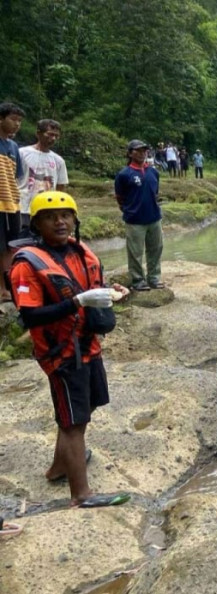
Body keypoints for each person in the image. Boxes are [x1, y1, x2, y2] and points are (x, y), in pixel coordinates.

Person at [9, 191, 131, 508]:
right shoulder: (27, 264)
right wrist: (76, 302)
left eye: (65, 215)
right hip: (61, 353)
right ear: (37, 225)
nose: (60, 221)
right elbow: (30, 316)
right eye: (51, 217)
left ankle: (59, 466)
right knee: (73, 423)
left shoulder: (81, 252)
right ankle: (81, 495)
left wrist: (113, 291)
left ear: (75, 220)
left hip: (87, 344)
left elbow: (93, 287)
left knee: (82, 412)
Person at [114, 139, 164, 291]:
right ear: (130, 153)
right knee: (135, 252)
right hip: (134, 220)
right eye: (138, 150)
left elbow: (155, 193)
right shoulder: (124, 174)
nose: (142, 153)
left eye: (144, 150)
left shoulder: (153, 172)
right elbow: (120, 197)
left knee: (155, 249)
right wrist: (129, 210)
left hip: (154, 217)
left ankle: (154, 278)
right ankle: (137, 280)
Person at [18, 119, 69, 238]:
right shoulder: (22, 153)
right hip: (23, 207)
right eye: (50, 134)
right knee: (21, 241)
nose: (53, 139)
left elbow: (61, 187)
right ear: (38, 133)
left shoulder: (58, 160)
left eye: (56, 136)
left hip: (46, 209)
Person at [0, 102, 27, 303]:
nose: (17, 124)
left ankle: (7, 288)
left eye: (19, 121)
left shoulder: (13, 147)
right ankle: (2, 289)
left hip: (12, 203)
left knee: (10, 247)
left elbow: (17, 175)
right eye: (13, 119)